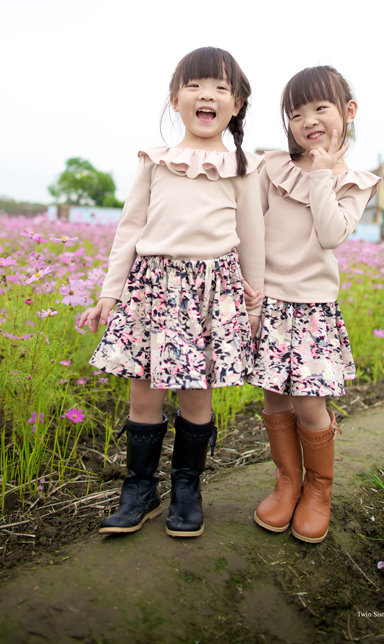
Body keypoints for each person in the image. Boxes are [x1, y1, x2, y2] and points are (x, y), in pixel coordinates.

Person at [79, 46, 264, 538]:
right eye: (195, 85)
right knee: (143, 395)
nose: (208, 95)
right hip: (151, 289)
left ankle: (187, 488)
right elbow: (130, 227)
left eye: (221, 87)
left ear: (237, 104)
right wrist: (109, 293)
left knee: (196, 398)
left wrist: (254, 304)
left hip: (210, 293)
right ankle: (140, 490)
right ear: (175, 98)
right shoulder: (155, 160)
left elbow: (252, 237)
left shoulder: (243, 167)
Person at [245, 65, 380, 543]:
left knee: (308, 402)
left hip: (313, 308)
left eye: (320, 107)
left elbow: (331, 233)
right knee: (274, 397)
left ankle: (319, 489)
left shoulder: (354, 182)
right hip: (269, 302)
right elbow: (251, 230)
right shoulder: (272, 167)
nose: (308, 121)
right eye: (296, 113)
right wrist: (250, 296)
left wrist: (323, 174)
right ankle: (287, 482)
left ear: (348, 111)